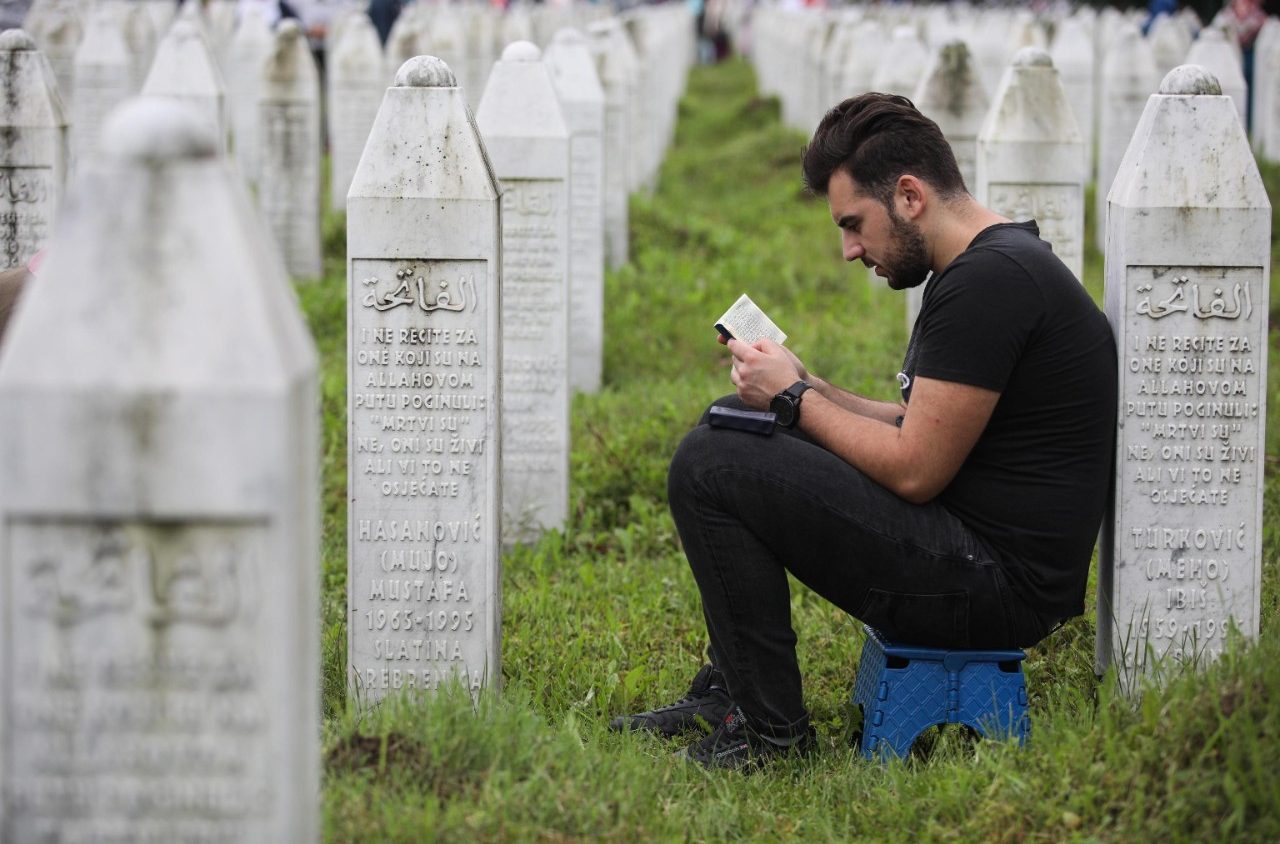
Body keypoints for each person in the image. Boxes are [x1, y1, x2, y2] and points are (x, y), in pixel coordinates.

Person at [609, 93, 1118, 770]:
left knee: (713, 464)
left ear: (909, 195)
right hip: (976, 554)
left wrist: (792, 398)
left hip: (995, 585)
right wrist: (807, 387)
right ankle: (733, 693)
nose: (850, 250)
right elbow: (920, 424)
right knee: (728, 427)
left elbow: (915, 469)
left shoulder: (990, 283)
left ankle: (769, 737)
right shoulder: (991, 265)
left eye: (854, 224)